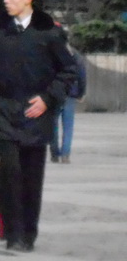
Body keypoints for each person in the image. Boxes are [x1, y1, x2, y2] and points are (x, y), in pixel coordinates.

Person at [0, 0, 76, 252]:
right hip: (5, 111)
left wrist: (47, 99)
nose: (6, 1)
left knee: (31, 175)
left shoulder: (49, 33)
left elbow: (68, 72)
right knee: (10, 170)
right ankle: (13, 232)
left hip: (36, 114)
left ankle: (28, 231)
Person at [51, 31, 86, 164]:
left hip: (55, 94)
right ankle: (65, 155)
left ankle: (55, 153)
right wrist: (81, 93)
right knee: (68, 126)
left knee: (53, 125)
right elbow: (82, 76)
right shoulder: (75, 55)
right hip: (70, 94)